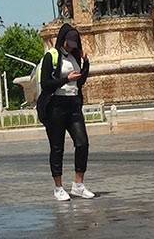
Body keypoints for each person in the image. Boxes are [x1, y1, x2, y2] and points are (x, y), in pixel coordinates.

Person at [36, 23, 94, 201]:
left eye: (75, 40)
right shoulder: (51, 56)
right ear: (63, 39)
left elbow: (80, 82)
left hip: (73, 104)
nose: (73, 43)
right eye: (70, 40)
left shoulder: (75, 56)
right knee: (57, 147)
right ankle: (58, 187)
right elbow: (45, 84)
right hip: (56, 105)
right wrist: (65, 79)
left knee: (82, 143)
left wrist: (86, 66)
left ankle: (78, 184)